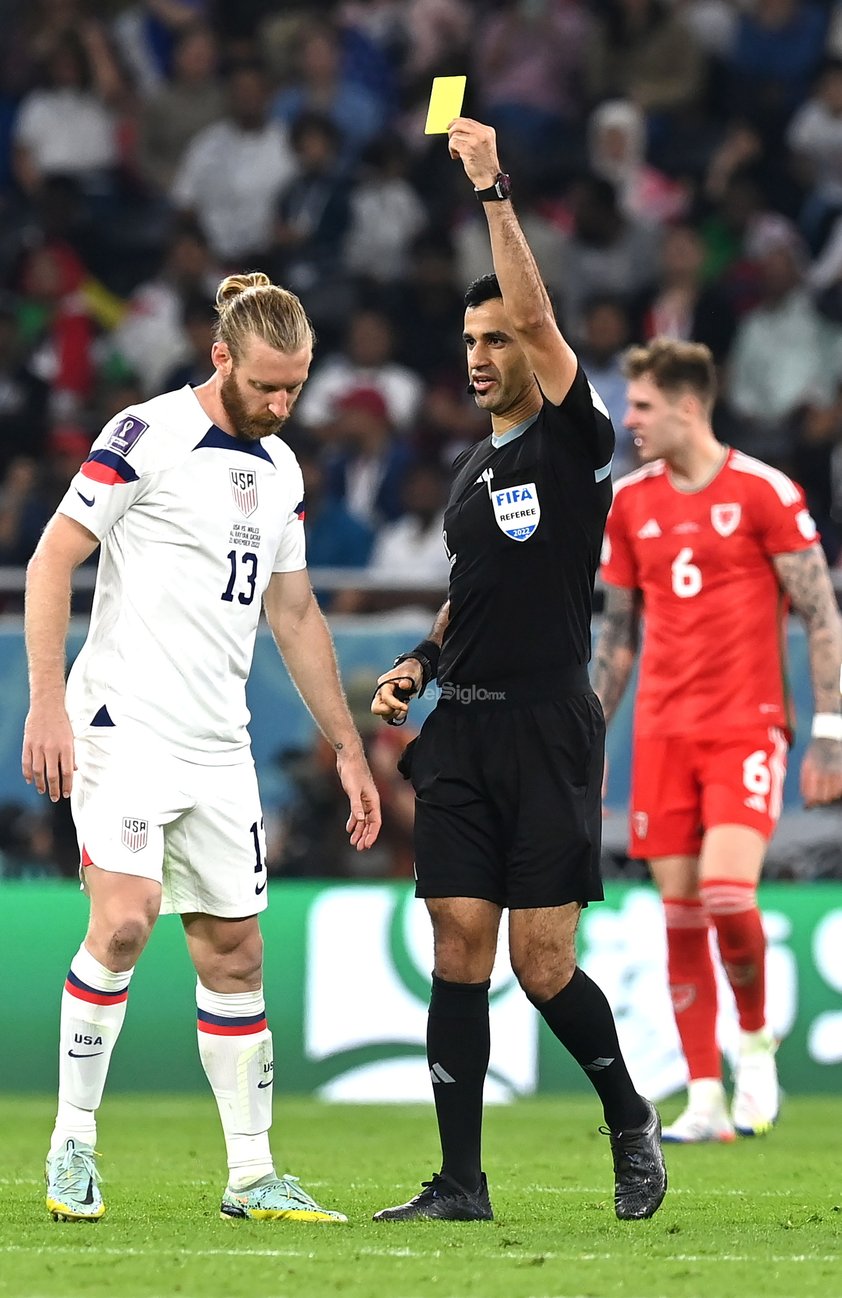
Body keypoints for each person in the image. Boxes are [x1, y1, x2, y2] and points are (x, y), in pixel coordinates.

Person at [22, 271, 382, 1223]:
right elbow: (53, 556)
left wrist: (346, 746)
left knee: (234, 955)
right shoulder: (144, 434)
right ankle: (71, 1148)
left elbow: (294, 610)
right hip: (123, 726)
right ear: (220, 356)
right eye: (267, 384)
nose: (281, 404)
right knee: (128, 917)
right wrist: (46, 704)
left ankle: (252, 1174)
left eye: (295, 388)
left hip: (220, 744)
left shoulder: (283, 470)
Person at [370, 117, 667, 1225]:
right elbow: (468, 593)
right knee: (458, 943)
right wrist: (418, 659)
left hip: (548, 723)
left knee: (542, 961)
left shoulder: (572, 439)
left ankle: (627, 1115)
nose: (483, 355)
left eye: (499, 339)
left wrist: (491, 188)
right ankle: (460, 1182)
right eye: (472, 343)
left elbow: (541, 315)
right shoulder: (463, 473)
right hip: (463, 727)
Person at [593, 338, 842, 1143]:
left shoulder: (764, 492)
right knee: (680, 913)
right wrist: (589, 739)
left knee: (730, 893)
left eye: (641, 406)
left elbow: (821, 616)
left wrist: (830, 733)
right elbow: (618, 638)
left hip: (745, 728)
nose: (628, 420)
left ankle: (756, 1044)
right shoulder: (631, 504)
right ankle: (703, 1095)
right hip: (662, 734)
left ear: (688, 406)